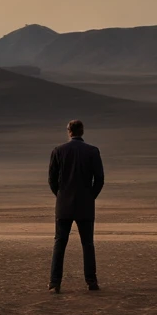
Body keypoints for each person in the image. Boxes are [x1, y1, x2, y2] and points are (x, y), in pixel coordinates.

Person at [47, 119, 104, 293]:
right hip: (85, 206)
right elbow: (99, 179)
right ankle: (91, 282)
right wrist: (89, 196)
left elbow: (51, 179)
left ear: (69, 131)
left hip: (64, 205)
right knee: (87, 244)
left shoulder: (58, 151)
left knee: (60, 243)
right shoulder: (92, 151)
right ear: (82, 131)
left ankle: (55, 283)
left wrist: (61, 195)